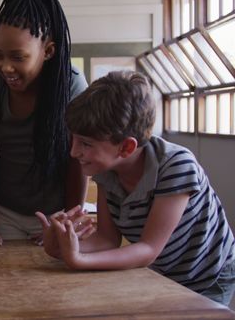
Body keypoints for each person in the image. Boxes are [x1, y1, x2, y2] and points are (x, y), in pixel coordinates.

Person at [38, 71, 235, 305]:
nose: (73, 152)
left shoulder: (176, 166)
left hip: (207, 278)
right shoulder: (104, 171)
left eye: (86, 144)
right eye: (74, 139)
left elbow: (148, 249)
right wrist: (61, 247)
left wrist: (79, 260)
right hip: (162, 275)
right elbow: (106, 239)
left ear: (126, 147)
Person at [0, 0, 89, 249]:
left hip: (55, 214)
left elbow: (77, 159)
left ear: (49, 51)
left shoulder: (71, 86)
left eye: (18, 57)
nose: (6, 67)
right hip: (4, 213)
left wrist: (67, 222)